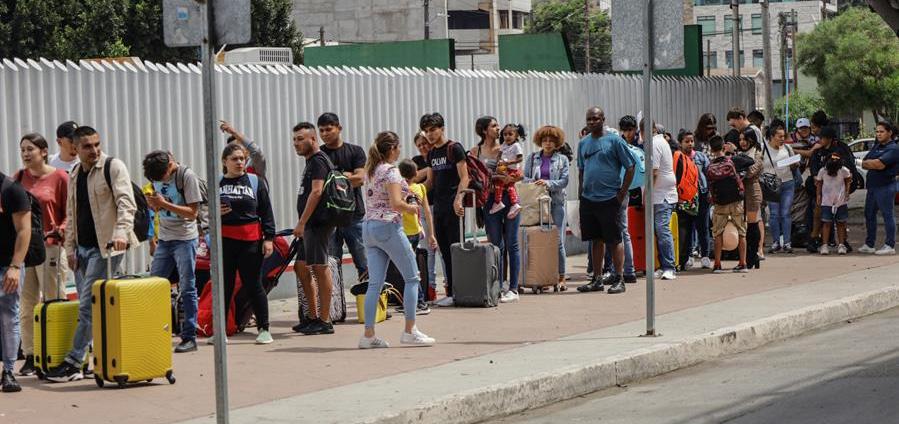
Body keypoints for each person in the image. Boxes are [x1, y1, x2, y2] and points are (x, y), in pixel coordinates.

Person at [46, 126, 138, 383]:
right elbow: (71, 213)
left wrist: (121, 233)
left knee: (88, 305)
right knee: (90, 308)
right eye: (87, 146)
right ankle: (90, 360)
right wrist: (70, 248)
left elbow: (126, 203)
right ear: (75, 148)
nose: (94, 150)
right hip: (82, 249)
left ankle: (73, 362)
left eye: (97, 144)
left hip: (107, 248)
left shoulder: (113, 167)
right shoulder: (75, 173)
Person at [358, 132, 436, 349]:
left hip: (369, 228)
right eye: (398, 146)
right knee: (412, 278)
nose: (400, 150)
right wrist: (412, 208)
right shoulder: (391, 172)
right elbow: (395, 203)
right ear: (392, 148)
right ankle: (410, 330)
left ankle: (368, 335)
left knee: (375, 284)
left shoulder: (371, 170)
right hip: (388, 226)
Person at [14, 133, 69, 377]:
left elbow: (70, 212)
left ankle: (56, 353)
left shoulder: (60, 177)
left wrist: (61, 230)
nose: (26, 154)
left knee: (53, 301)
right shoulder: (18, 178)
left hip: (50, 248)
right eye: (23, 150)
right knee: (26, 305)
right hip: (25, 250)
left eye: (30, 149)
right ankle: (31, 355)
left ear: (44, 152)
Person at [212, 144, 276, 345]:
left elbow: (266, 211)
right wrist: (215, 213)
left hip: (250, 241)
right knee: (225, 286)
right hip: (225, 241)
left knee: (253, 284)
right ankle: (220, 331)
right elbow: (204, 214)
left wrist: (269, 238)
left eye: (242, 159)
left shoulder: (255, 181)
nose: (239, 162)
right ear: (225, 162)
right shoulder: (216, 183)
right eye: (234, 159)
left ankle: (264, 329)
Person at [141, 151, 203, 352]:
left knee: (187, 286)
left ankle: (189, 336)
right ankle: (152, 332)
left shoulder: (187, 177)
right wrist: (153, 204)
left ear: (169, 166)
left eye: (162, 177)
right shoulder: (156, 175)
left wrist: (163, 204)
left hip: (185, 238)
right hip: (165, 238)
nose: (160, 181)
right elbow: (158, 205)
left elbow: (193, 213)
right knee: (153, 285)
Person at [576, 107, 635, 295]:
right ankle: (597, 279)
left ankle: (619, 279)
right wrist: (580, 194)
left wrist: (621, 193)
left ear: (603, 119)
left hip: (610, 198)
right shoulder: (583, 143)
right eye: (589, 119)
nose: (592, 122)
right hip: (588, 199)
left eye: (595, 118)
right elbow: (581, 170)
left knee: (615, 239)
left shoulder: (615, 141)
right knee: (595, 240)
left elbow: (630, 166)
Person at [291, 122, 339, 334]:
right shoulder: (311, 162)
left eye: (300, 139)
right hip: (310, 225)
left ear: (313, 139)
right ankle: (311, 316)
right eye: (294, 140)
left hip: (318, 223)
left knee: (320, 267)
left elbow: (317, 192)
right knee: (301, 266)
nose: (296, 143)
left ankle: (325, 320)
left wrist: (302, 222)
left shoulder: (319, 160)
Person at [472, 116, 522, 303]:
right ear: (484, 130)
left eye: (497, 125)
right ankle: (498, 286)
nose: (498, 128)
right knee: (496, 245)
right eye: (494, 126)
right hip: (488, 201)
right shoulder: (475, 152)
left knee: (512, 243)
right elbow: (472, 177)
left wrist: (511, 178)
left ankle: (514, 288)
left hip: (509, 197)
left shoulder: (507, 147)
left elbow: (520, 173)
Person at [422, 113, 469, 307]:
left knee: (456, 249)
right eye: (426, 131)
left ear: (442, 128)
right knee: (444, 251)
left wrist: (459, 199)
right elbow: (430, 182)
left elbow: (465, 177)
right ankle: (451, 293)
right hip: (438, 208)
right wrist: (412, 192)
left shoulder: (454, 148)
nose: (429, 134)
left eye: (433, 129)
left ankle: (462, 291)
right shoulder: (432, 154)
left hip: (453, 207)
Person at [317, 113, 369, 283]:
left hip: (353, 214)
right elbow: (319, 185)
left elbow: (360, 179)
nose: (324, 134)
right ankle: (336, 300)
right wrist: (346, 176)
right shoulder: (318, 154)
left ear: (339, 128)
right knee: (331, 264)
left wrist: (333, 179)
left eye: (328, 129)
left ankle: (370, 298)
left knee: (364, 262)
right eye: (321, 130)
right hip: (329, 217)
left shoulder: (355, 151)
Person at [523, 125, 571, 290]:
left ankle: (561, 277)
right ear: (540, 141)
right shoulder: (532, 158)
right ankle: (543, 277)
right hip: (536, 205)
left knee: (558, 241)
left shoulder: (562, 159)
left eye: (551, 140)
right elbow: (525, 178)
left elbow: (564, 181)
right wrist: (535, 182)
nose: (548, 143)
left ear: (557, 142)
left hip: (556, 203)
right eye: (545, 140)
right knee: (540, 240)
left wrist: (548, 183)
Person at [0, 168, 31, 392]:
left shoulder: (11, 190)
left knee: (8, 316)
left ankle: (9, 372)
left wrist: (15, 266)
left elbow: (24, 230)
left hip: (7, 266)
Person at [601, 116, 641, 283]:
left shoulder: (617, 146)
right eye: (624, 130)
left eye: (630, 129)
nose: (627, 133)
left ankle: (622, 271)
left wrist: (621, 192)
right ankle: (628, 270)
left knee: (619, 232)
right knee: (623, 231)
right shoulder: (627, 145)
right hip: (624, 190)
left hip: (618, 191)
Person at [807, 126, 858, 253]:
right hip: (823, 192)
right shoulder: (818, 152)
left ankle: (843, 241)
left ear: (829, 138)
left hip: (839, 192)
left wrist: (847, 191)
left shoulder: (841, 150)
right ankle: (815, 239)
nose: (820, 140)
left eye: (822, 138)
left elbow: (849, 172)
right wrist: (816, 182)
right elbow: (814, 168)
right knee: (820, 216)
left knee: (841, 219)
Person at [397, 159, 437, 313]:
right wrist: (431, 234)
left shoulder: (399, 190)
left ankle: (419, 302)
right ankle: (411, 301)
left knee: (409, 269)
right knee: (409, 267)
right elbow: (428, 213)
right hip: (416, 231)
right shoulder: (420, 188)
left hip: (404, 232)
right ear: (415, 174)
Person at [728, 108, 764, 269]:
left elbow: (750, 172)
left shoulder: (757, 153)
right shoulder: (740, 153)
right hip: (741, 193)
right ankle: (749, 258)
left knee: (752, 224)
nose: (742, 142)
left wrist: (739, 166)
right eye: (740, 139)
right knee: (745, 226)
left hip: (752, 192)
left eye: (745, 139)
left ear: (752, 140)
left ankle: (752, 256)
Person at [706, 135, 748, 273]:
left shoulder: (710, 166)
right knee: (741, 232)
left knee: (718, 233)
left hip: (720, 204)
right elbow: (749, 161)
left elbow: (710, 187)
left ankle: (717, 264)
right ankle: (743, 263)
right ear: (724, 146)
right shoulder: (732, 161)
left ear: (711, 149)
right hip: (736, 202)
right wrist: (734, 151)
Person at [644, 119, 678, 280]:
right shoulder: (660, 141)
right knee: (659, 231)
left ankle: (669, 267)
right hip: (661, 194)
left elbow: (654, 172)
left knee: (662, 229)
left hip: (662, 195)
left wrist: (647, 193)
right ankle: (662, 265)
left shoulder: (655, 143)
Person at [859, 121, 898, 255]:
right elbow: (865, 162)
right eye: (877, 131)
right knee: (869, 214)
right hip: (872, 187)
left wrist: (872, 162)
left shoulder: (893, 148)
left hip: (886, 186)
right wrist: (871, 163)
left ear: (889, 133)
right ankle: (869, 244)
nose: (878, 134)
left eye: (881, 131)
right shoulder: (877, 146)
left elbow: (879, 165)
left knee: (887, 215)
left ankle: (890, 245)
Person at [677, 130, 712, 270]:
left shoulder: (700, 157)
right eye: (686, 141)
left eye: (691, 141)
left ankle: (705, 256)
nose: (690, 144)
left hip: (702, 195)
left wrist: (710, 191)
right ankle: (688, 255)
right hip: (685, 197)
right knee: (687, 227)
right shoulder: (678, 158)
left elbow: (709, 174)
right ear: (680, 143)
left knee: (703, 226)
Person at [763, 122, 799, 254]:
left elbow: (794, 164)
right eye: (779, 136)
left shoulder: (787, 148)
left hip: (787, 183)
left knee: (785, 213)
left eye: (784, 136)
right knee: (774, 214)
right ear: (772, 137)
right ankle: (776, 242)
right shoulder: (763, 149)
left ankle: (787, 242)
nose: (782, 139)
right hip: (771, 185)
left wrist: (794, 164)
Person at [816, 154, 853, 255]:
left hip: (840, 200)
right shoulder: (822, 171)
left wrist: (847, 192)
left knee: (841, 223)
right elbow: (819, 183)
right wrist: (818, 196)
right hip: (826, 201)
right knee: (826, 223)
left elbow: (848, 180)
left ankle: (841, 244)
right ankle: (824, 245)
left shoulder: (844, 170)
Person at [489, 124, 525, 218]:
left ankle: (500, 202)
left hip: (512, 170)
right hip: (504, 168)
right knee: (505, 184)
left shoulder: (516, 146)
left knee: (505, 184)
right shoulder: (504, 145)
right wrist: (499, 162)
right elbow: (499, 156)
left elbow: (520, 159)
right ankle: (512, 203)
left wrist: (508, 162)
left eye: (510, 134)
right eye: (505, 134)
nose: (507, 136)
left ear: (516, 135)